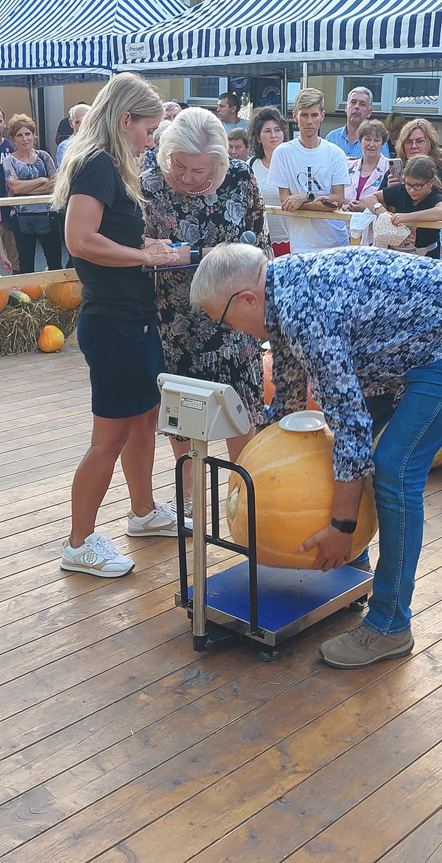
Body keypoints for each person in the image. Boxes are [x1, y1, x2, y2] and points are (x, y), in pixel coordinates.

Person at [189, 243, 442, 669]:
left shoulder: (305, 312)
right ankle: (355, 558)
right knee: (340, 449)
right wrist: (260, 463)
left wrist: (342, 525)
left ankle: (389, 625)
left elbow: (352, 425)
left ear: (248, 299)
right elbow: (287, 394)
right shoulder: (278, 295)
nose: (233, 332)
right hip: (399, 347)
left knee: (394, 468)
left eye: (227, 322)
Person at [52, 72, 182, 579]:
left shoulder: (110, 164)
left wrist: (142, 251)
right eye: (148, 130)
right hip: (113, 322)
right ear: (126, 119)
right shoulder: (98, 165)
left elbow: (104, 239)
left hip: (134, 317)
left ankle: (143, 512)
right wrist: (141, 255)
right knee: (108, 437)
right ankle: (78, 541)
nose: (151, 141)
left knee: (144, 420)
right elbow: (80, 240)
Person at [142, 107, 270, 516]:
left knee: (242, 409)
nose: (188, 178)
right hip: (175, 319)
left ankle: (245, 502)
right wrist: (190, 254)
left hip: (235, 318)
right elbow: (140, 252)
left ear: (219, 161)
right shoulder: (149, 184)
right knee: (183, 414)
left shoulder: (240, 178)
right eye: (180, 166)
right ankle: (189, 502)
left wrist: (197, 255)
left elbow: (261, 248)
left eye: (200, 170)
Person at [268, 88, 350, 253]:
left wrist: (304, 197)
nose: (309, 121)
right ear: (295, 116)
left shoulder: (335, 153)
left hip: (335, 242)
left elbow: (338, 200)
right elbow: (286, 201)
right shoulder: (283, 153)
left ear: (322, 116)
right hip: (301, 244)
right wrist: (320, 202)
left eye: (314, 115)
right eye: (304, 115)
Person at [3, 113, 61, 274]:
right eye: (19, 135)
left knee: (55, 261)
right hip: (22, 218)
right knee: (26, 265)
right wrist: (41, 179)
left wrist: (25, 190)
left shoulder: (44, 156)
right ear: (13, 138)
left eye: (27, 134)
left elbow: (55, 184)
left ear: (34, 135)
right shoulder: (9, 161)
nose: (24, 139)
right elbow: (14, 187)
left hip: (48, 215)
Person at [364, 155, 442, 258]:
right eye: (408, 184)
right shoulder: (400, 191)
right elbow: (369, 198)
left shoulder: (434, 197)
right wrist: (383, 212)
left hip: (426, 258)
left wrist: (408, 217)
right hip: (398, 257)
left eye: (418, 186)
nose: (412, 190)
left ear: (430, 182)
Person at [247, 106, 290, 257]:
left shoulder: (293, 164)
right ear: (258, 137)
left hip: (290, 241)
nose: (274, 135)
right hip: (259, 242)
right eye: (268, 131)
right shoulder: (250, 166)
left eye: (277, 130)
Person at [383, 117, 442, 203]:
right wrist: (390, 191)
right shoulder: (392, 174)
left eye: (419, 141)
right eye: (408, 142)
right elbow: (375, 204)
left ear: (430, 144)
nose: (414, 146)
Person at [326, 87, 389, 159]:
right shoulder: (331, 138)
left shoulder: (377, 141)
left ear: (369, 112)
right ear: (346, 108)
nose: (356, 107)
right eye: (353, 102)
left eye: (362, 104)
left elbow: (385, 168)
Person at [342, 119, 390, 212]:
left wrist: (366, 208)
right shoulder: (348, 167)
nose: (371, 144)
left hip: (374, 225)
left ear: (383, 143)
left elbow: (390, 204)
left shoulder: (389, 169)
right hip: (346, 224)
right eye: (367, 139)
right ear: (360, 141)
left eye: (376, 140)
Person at [0, 105, 18, 273]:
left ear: (4, 124)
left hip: (8, 208)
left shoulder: (11, 148)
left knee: (13, 257)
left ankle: (15, 294)